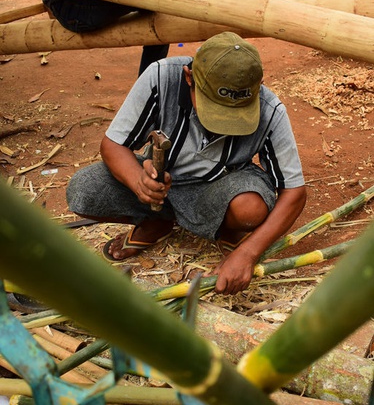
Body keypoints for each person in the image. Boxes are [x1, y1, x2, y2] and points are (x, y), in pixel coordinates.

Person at [66, 32, 307, 295]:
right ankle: (156, 222)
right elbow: (112, 145)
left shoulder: (270, 109)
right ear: (188, 77)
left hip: (222, 186)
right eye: (215, 109)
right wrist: (140, 182)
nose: (223, 124)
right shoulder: (159, 78)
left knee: (249, 208)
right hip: (164, 185)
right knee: (84, 191)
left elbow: (294, 192)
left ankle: (230, 231)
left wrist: (248, 254)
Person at [41, 0, 169, 76]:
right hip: (73, 6)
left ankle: (148, 91)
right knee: (154, 1)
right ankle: (147, 94)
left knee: (155, 3)